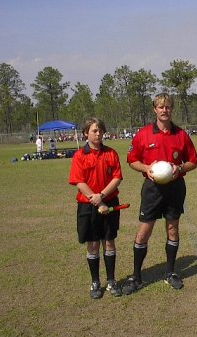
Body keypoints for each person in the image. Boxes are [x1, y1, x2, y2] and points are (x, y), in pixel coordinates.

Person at [124, 93, 197, 295]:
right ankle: (137, 276)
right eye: (160, 107)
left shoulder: (181, 135)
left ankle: (170, 272)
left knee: (172, 228)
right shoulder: (144, 134)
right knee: (144, 230)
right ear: (154, 109)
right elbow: (131, 159)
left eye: (168, 107)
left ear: (171, 110)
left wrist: (180, 169)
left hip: (175, 188)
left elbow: (193, 161)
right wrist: (146, 168)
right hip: (152, 189)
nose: (164, 110)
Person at [68, 117, 124, 299]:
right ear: (86, 133)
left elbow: (117, 178)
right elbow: (79, 182)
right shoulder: (79, 155)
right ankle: (95, 282)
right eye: (94, 131)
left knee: (109, 241)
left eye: (100, 130)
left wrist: (103, 196)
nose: (98, 133)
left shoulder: (111, 153)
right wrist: (98, 201)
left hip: (109, 203)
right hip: (88, 207)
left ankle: (111, 281)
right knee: (92, 244)